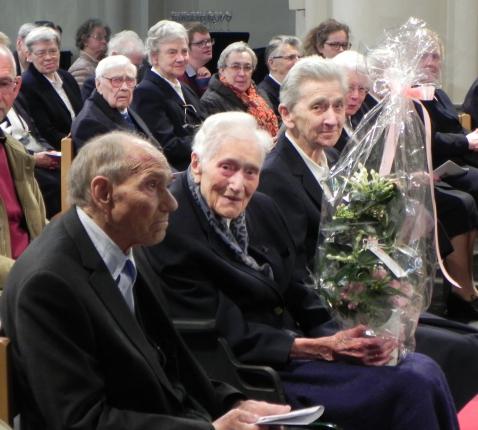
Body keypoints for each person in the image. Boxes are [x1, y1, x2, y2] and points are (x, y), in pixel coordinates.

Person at [138, 111, 458, 429]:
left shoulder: (261, 207)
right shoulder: (173, 225)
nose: (238, 184)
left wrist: (342, 333)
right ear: (196, 164)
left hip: (298, 344)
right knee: (411, 383)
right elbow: (219, 330)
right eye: (227, 167)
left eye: (251, 172)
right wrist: (315, 348)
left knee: (423, 368)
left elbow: (295, 286)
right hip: (249, 371)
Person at [0, 129, 291, 429]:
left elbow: (170, 363)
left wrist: (234, 403)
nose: (171, 203)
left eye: (167, 185)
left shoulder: (119, 245)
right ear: (103, 193)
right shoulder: (49, 284)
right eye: (152, 186)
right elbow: (81, 421)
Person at [258, 56, 478, 410]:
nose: (331, 118)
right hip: (328, 324)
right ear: (286, 114)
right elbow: (296, 277)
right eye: (318, 107)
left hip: (367, 306)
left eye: (338, 106)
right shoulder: (275, 177)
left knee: (470, 336)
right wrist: (349, 327)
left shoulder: (332, 158)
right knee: (464, 351)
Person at [416, 29, 478, 317]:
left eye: (436, 56)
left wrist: (467, 140)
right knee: (461, 203)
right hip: (427, 170)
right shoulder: (409, 94)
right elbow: (425, 141)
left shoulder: (437, 91)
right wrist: (466, 141)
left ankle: (465, 288)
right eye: (424, 56)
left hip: (451, 164)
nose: (431, 62)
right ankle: (461, 290)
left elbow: (453, 129)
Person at [0, 45, 46, 290]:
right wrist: (30, 276)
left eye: (3, 84)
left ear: (16, 87)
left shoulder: (15, 152)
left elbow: (39, 224)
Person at [132, 20, 205, 172]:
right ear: (154, 57)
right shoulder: (145, 93)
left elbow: (202, 122)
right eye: (172, 52)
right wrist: (210, 139)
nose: (181, 58)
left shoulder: (184, 87)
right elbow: (168, 146)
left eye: (184, 51)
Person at [72, 55, 159, 152]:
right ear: (98, 84)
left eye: (130, 80)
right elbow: (111, 166)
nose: (125, 87)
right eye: (117, 80)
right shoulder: (89, 123)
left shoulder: (125, 108)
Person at [20, 26, 83, 150]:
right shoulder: (26, 84)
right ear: (29, 55)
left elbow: (82, 114)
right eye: (41, 53)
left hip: (81, 145)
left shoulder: (67, 77)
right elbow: (46, 132)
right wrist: (80, 146)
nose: (48, 57)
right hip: (59, 153)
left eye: (53, 51)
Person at [200, 41, 278, 137]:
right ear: (222, 70)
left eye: (247, 67)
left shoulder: (260, 94)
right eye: (235, 67)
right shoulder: (211, 102)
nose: (242, 73)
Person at [81, 30, 146, 101]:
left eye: (138, 67)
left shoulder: (139, 83)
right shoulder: (92, 85)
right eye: (132, 65)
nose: (135, 72)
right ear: (114, 56)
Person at [257, 35, 302, 119]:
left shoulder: (299, 90)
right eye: (291, 57)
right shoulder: (262, 94)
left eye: (299, 57)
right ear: (272, 63)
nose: (298, 62)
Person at [68, 18, 110, 88]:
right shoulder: (81, 68)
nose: (104, 41)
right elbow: (82, 97)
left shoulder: (100, 63)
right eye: (99, 37)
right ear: (85, 40)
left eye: (105, 38)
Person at [179, 22, 214, 97]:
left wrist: (204, 84)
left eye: (209, 41)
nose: (208, 45)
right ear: (186, 48)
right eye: (200, 43)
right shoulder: (180, 77)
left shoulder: (201, 75)